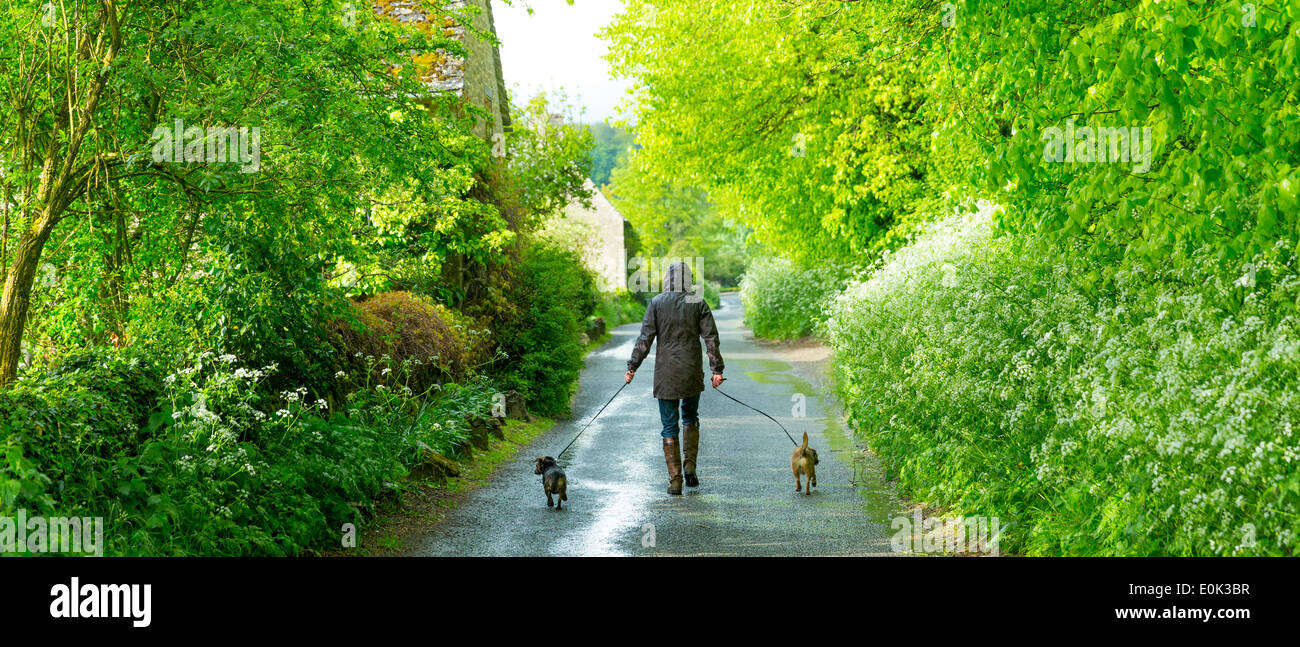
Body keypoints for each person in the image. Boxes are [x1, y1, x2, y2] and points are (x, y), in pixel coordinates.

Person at [625, 262, 724, 495]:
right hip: (691, 370)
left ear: (667, 279)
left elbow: (644, 339)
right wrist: (716, 370)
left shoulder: (657, 303)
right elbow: (711, 337)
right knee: (690, 416)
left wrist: (632, 366)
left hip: (666, 374)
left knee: (669, 425)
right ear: (688, 280)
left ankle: (676, 480)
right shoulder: (696, 301)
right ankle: (690, 469)